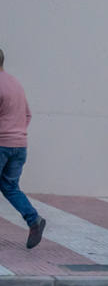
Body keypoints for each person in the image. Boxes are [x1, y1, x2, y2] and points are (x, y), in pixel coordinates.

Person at [0, 48, 46, 249]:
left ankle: (34, 219)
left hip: (2, 144)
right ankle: (33, 219)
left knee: (9, 187)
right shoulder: (15, 83)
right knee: (10, 187)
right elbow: (28, 114)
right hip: (20, 145)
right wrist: (16, 133)